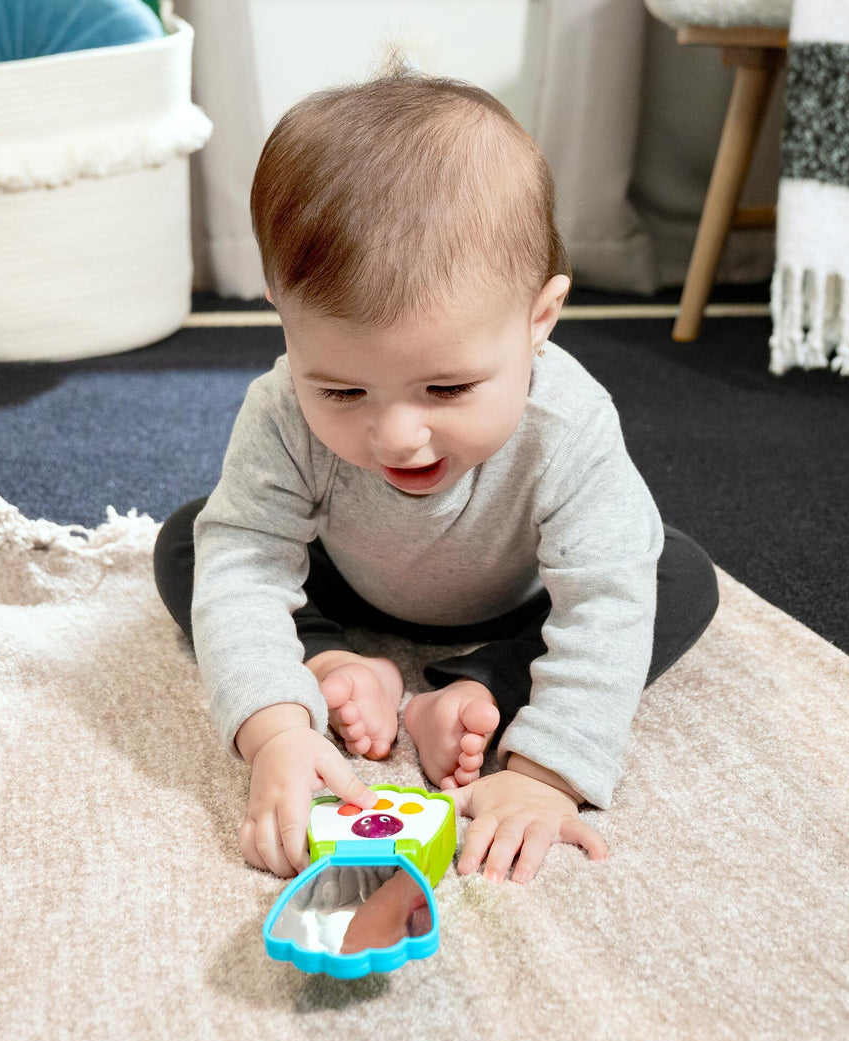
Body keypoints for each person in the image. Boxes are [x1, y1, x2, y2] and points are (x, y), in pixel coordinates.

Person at [153, 59, 719, 886]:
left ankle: (476, 684)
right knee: (195, 543)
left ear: (540, 321)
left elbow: (602, 598)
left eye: (447, 388)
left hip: (519, 599)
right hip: (348, 582)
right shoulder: (278, 410)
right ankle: (337, 664)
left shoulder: (570, 425)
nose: (397, 437)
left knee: (670, 573)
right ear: (283, 317)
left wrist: (543, 777)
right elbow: (244, 562)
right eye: (341, 388)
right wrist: (276, 729)